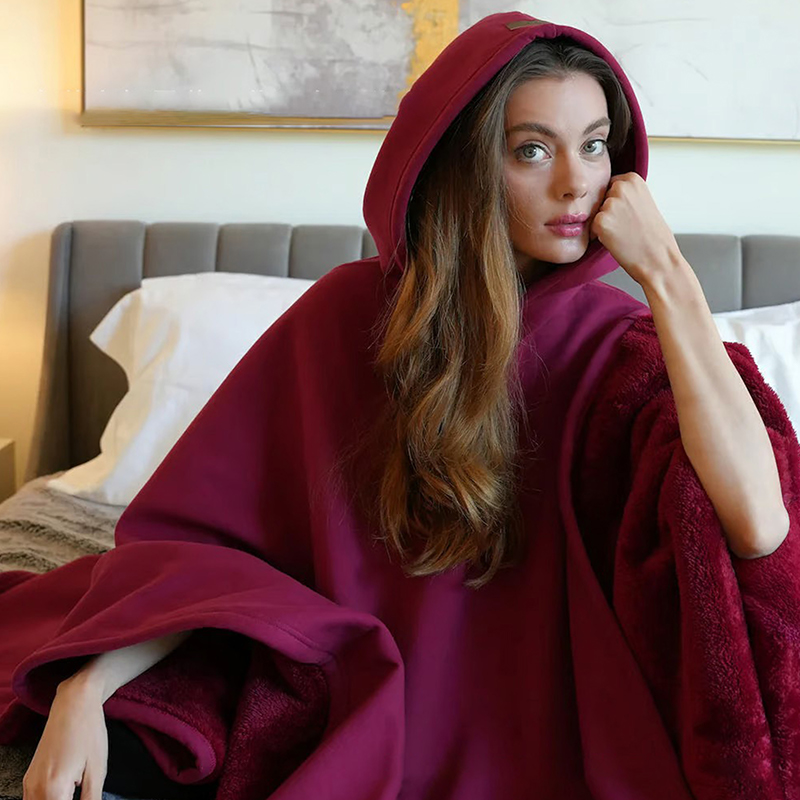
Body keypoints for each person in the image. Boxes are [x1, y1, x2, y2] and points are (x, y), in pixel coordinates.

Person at [2, 10, 798, 800]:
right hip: (347, 703)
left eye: (594, 146)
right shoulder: (346, 318)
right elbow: (207, 548)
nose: (576, 183)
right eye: (531, 149)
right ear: (466, 164)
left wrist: (667, 273)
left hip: (552, 746)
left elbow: (761, 525)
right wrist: (85, 689)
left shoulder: (625, 350)